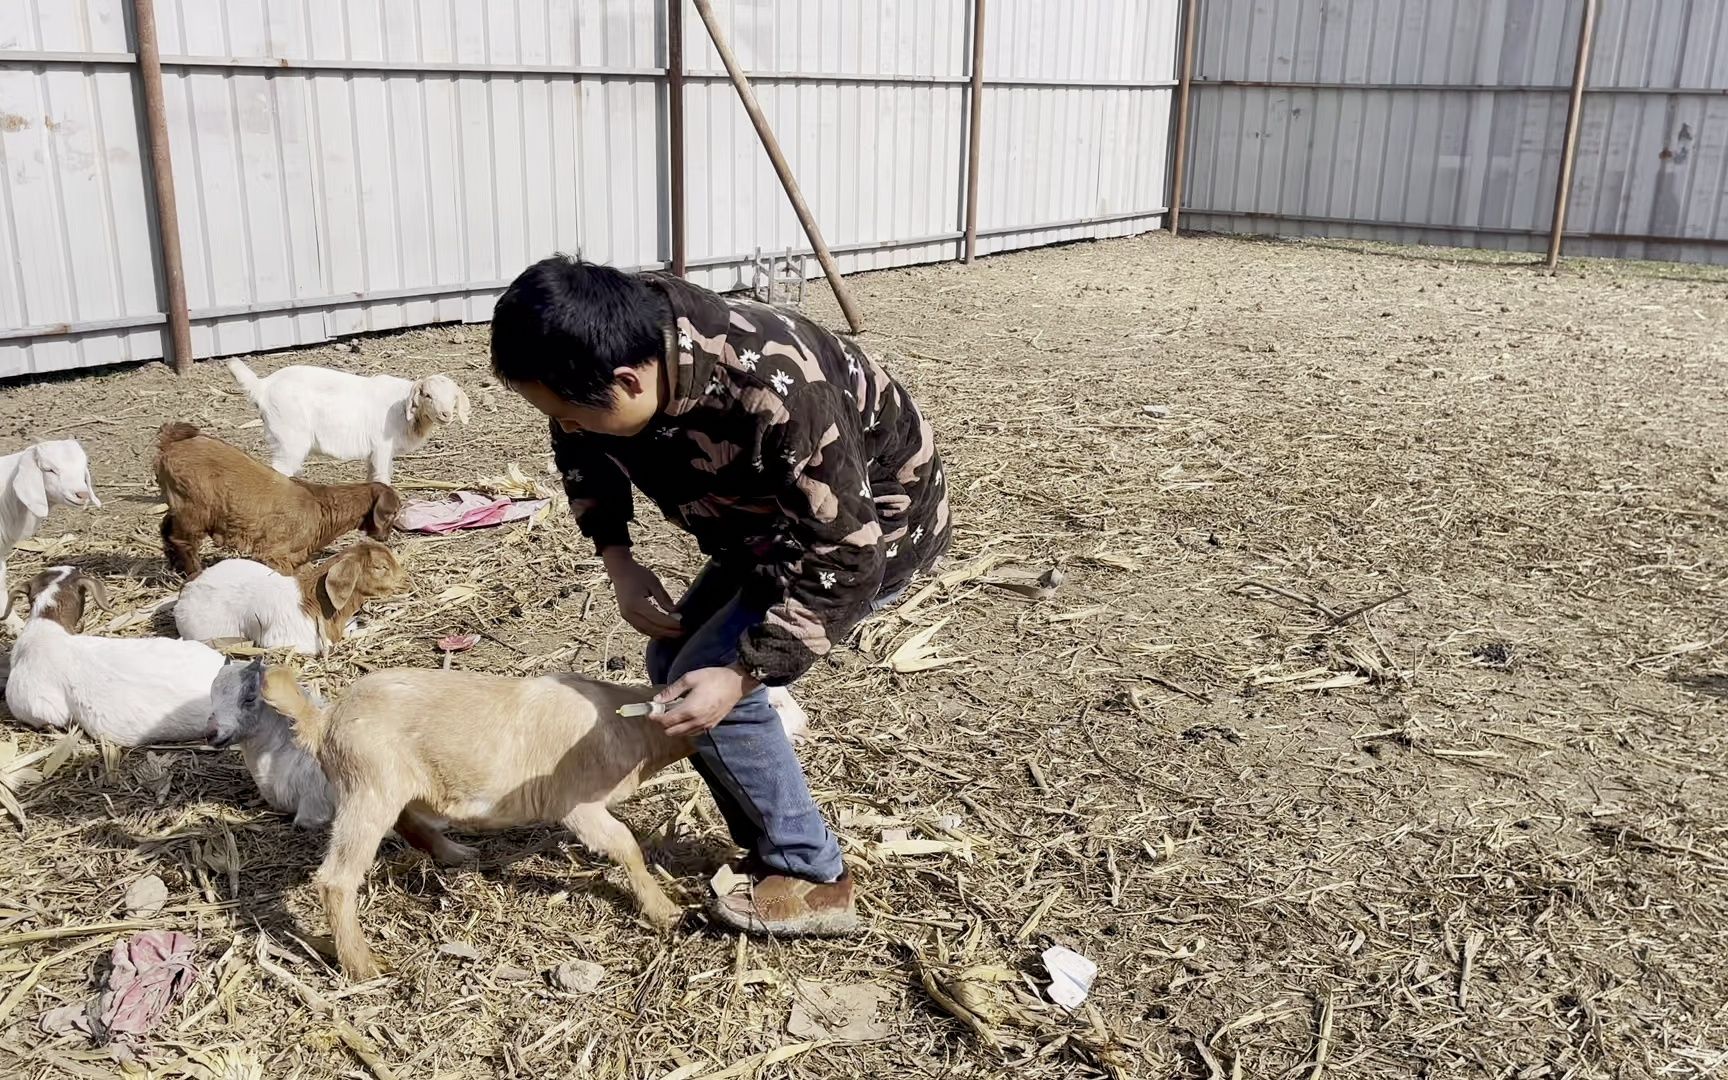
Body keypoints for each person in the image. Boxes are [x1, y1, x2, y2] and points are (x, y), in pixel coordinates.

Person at [489, 256, 951, 935]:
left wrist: (743, 673)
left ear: (628, 380)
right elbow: (578, 449)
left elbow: (849, 552)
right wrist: (617, 556)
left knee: (714, 694)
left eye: (575, 414)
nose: (569, 426)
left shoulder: (773, 390)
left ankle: (816, 876)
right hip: (762, 529)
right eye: (556, 414)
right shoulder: (602, 360)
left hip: (866, 534)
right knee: (673, 670)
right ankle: (771, 843)